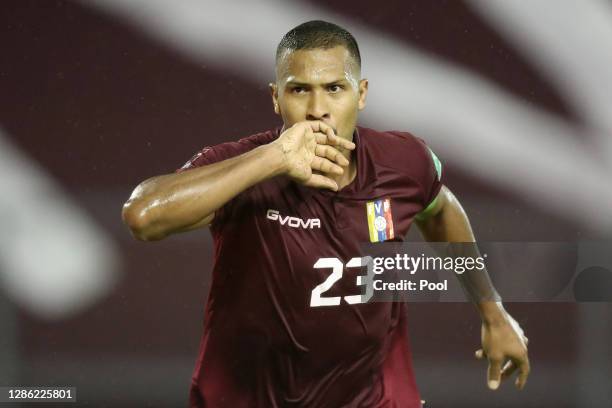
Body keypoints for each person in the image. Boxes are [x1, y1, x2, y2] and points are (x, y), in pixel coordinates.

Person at [122, 20, 530, 408]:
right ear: (275, 97)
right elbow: (143, 216)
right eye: (300, 90)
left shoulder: (404, 162)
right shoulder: (239, 168)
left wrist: (493, 313)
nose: (318, 109)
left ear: (362, 93)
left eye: (335, 88)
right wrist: (272, 158)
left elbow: (440, 210)